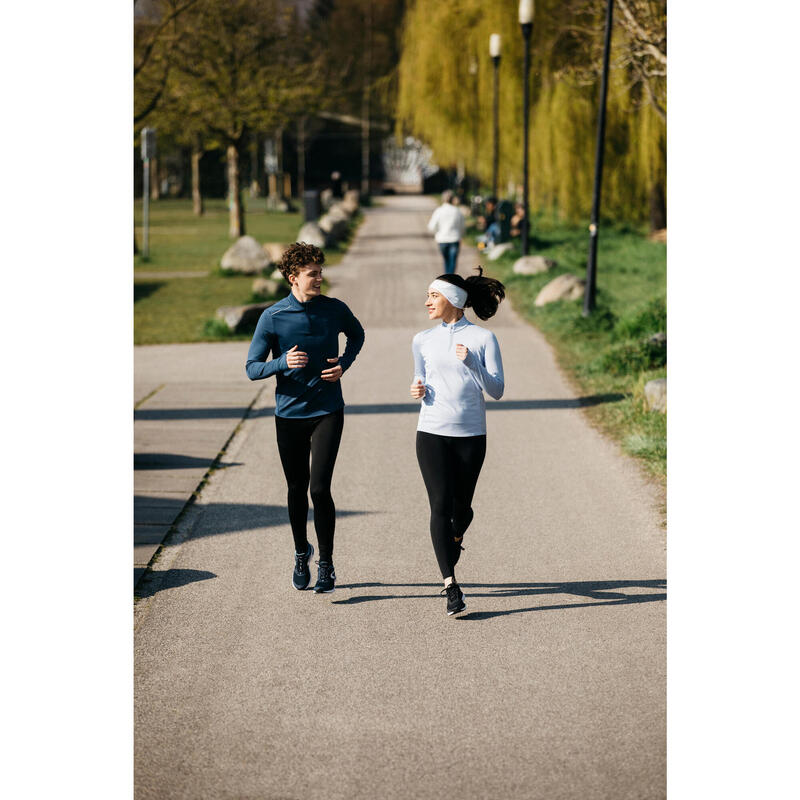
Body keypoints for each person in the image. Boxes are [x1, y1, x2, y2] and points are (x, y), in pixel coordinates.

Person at [246, 242, 365, 594]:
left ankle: (326, 563)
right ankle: (302, 552)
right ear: (292, 277)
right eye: (312, 273)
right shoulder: (273, 317)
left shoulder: (334, 309)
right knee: (297, 489)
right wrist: (282, 363)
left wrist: (344, 363)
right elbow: (252, 368)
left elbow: (357, 335)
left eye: (320, 272)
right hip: (290, 414)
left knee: (319, 488)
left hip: (328, 409)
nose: (319, 278)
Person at [410, 268, 506, 616]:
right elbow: (420, 377)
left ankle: (456, 534)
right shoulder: (422, 339)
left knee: (460, 511)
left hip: (470, 436)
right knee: (439, 506)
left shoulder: (483, 339)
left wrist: (474, 364)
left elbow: (496, 391)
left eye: (433, 296)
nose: (427, 302)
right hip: (431, 432)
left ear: (453, 300)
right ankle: (451, 585)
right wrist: (417, 388)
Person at [427, 189, 465, 274]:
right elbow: (462, 226)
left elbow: (431, 226)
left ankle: (447, 278)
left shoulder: (439, 211)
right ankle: (451, 280)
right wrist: (461, 235)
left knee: (446, 260)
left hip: (442, 239)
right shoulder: (457, 211)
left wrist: (437, 233)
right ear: (452, 199)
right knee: (453, 262)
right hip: (454, 239)